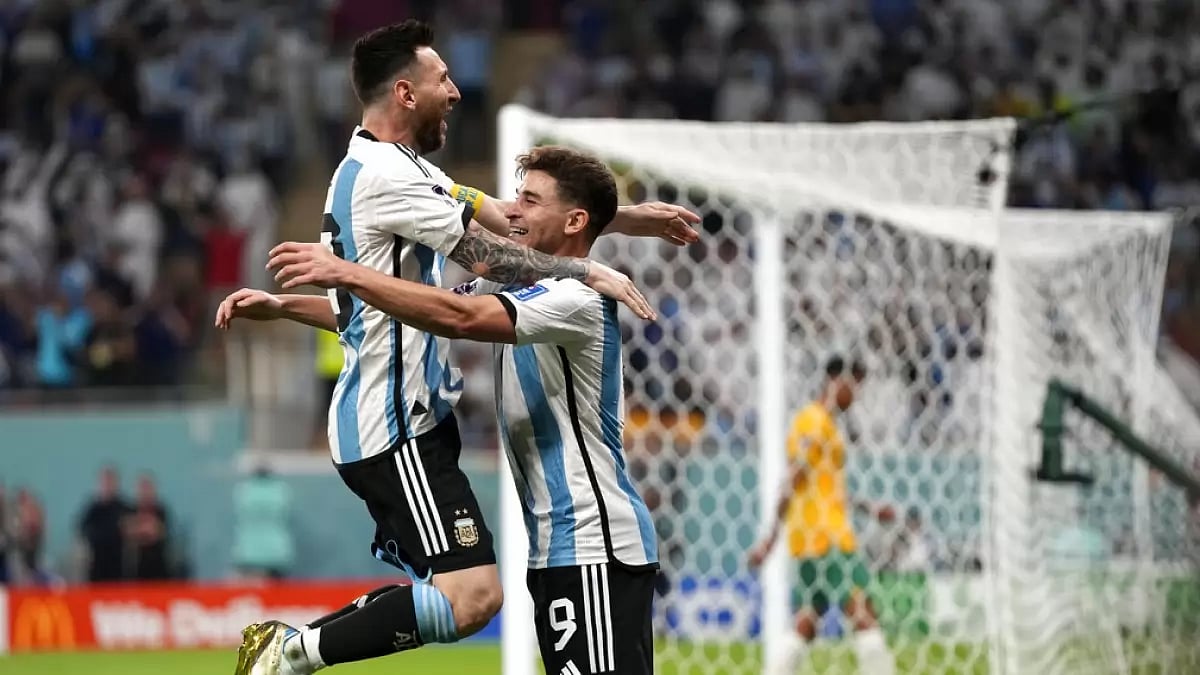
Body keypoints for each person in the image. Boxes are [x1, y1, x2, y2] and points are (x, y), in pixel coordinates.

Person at [223, 21, 698, 675]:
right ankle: (291, 651)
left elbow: (500, 225)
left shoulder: (408, 171)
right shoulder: (389, 177)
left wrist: (626, 220)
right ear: (405, 93)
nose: (455, 90)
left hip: (526, 498)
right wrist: (589, 264)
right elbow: (476, 280)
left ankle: (291, 649)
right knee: (472, 596)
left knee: (462, 595)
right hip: (396, 425)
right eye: (442, 78)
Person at [747, 356, 897, 675]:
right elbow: (793, 478)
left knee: (808, 620)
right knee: (862, 611)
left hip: (809, 537)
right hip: (827, 537)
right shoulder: (814, 422)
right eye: (853, 386)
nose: (856, 395)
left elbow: (826, 488)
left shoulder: (826, 424)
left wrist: (869, 508)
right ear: (836, 382)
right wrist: (770, 538)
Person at [78, 466, 132, 582]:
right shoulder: (92, 509)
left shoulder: (125, 508)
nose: (108, 485)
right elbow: (82, 530)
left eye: (110, 481)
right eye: (105, 482)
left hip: (120, 564)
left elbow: (132, 528)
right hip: (97, 561)